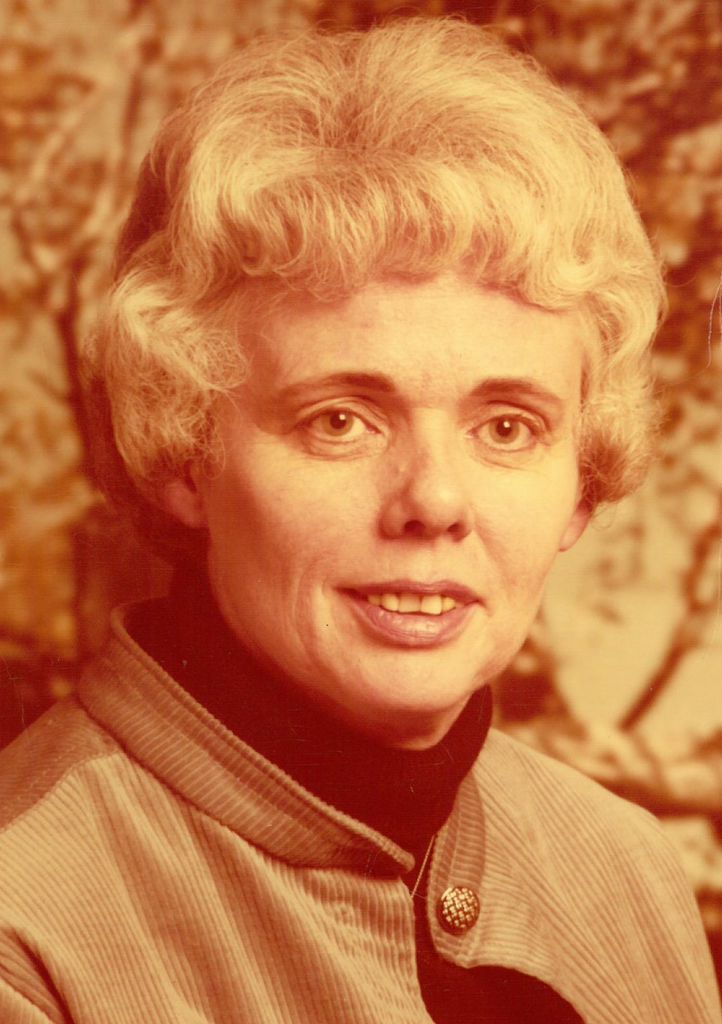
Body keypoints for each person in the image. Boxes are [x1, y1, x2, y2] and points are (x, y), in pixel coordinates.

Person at [0, 17, 718, 1024]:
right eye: (339, 420)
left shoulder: (625, 872)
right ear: (184, 454)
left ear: (582, 481)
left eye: (507, 426)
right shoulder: (26, 925)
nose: (434, 501)